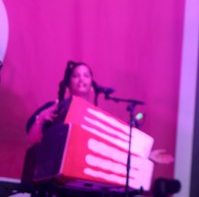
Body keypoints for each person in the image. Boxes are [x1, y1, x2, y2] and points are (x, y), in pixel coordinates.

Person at [26, 61, 173, 164]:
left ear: (92, 87)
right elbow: (32, 140)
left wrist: (147, 155)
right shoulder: (55, 107)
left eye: (86, 75)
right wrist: (40, 119)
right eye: (76, 75)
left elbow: (111, 146)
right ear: (68, 84)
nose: (81, 78)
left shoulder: (96, 117)